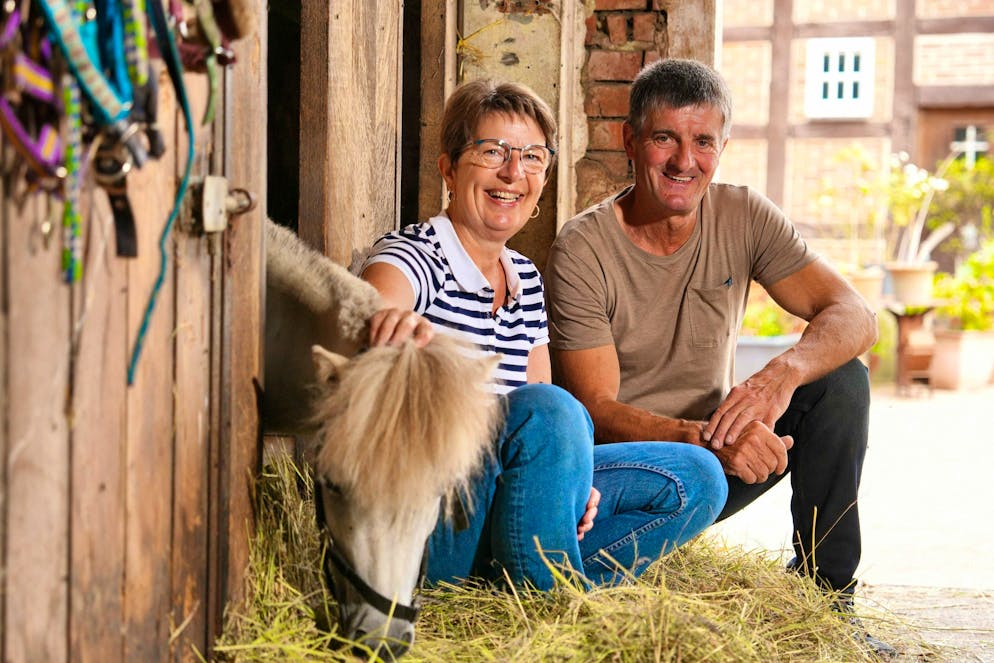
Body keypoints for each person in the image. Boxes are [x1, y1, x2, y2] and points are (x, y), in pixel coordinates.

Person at [544, 58, 896, 657]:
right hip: (625, 486)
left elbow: (855, 315)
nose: (686, 161)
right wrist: (706, 440)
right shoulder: (582, 249)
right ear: (629, 141)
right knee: (699, 467)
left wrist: (777, 378)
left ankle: (828, 602)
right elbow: (593, 409)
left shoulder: (743, 214)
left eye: (703, 141)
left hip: (719, 459)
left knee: (840, 385)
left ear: (722, 145)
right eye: (665, 139)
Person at [358, 78, 728, 590]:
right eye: (492, 152)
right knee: (554, 409)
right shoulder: (416, 255)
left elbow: (543, 422)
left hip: (508, 513)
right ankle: (551, 606)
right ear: (447, 168)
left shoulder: (526, 279)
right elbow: (378, 304)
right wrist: (391, 323)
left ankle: (531, 576)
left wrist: (566, 478)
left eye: (532, 157)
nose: (514, 172)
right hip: (432, 523)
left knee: (699, 475)